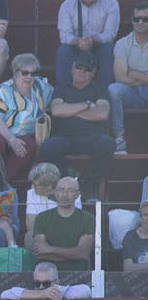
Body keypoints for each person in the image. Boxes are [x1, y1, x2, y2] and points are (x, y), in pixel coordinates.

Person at [40, 51, 114, 202]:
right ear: (72, 68)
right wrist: (87, 105)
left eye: (87, 69)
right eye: (79, 67)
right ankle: (68, 177)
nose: (82, 71)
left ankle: (89, 184)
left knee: (108, 144)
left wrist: (69, 110)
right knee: (47, 147)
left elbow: (102, 114)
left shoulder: (99, 89)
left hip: (91, 137)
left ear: (93, 73)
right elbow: (57, 110)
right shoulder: (62, 88)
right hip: (64, 137)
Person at [0, 53, 51, 179]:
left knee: (29, 145)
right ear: (15, 73)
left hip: (20, 135)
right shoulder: (4, 90)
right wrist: (11, 140)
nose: (29, 77)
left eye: (33, 73)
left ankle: (3, 182)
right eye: (25, 73)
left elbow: (56, 97)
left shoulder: (42, 89)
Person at [109, 2, 148, 156]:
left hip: (137, 86)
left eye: (145, 19)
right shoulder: (122, 44)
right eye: (137, 18)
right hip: (133, 92)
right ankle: (119, 139)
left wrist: (133, 73)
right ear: (132, 20)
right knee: (113, 89)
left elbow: (127, 75)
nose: (140, 22)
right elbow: (120, 77)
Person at [31, 176, 95, 271]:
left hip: (78, 275)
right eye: (61, 190)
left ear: (78, 195)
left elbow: (83, 253)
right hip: (46, 277)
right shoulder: (42, 218)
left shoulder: (88, 218)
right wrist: (72, 253)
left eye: (70, 191)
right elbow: (41, 253)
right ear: (55, 192)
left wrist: (50, 249)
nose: (64, 195)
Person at [55, 0, 118, 88]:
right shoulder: (67, 5)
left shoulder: (111, 3)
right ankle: (64, 93)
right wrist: (78, 41)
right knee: (63, 51)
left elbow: (110, 33)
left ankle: (103, 95)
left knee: (109, 49)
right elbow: (64, 35)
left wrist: (92, 39)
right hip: (76, 45)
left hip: (99, 44)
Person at [0, 261, 91, 300]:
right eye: (37, 283)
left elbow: (86, 291)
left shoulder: (60, 290)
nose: (41, 287)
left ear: (56, 282)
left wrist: (58, 292)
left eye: (46, 283)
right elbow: (5, 295)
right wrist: (40, 294)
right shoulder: (31, 295)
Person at [121, 200, 148, 271]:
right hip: (137, 280)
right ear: (140, 217)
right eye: (146, 215)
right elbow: (128, 268)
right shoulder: (130, 237)